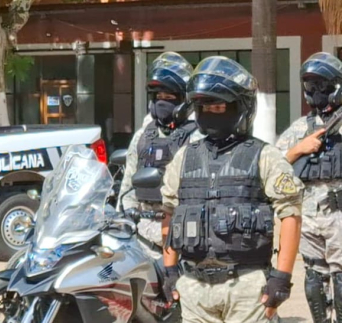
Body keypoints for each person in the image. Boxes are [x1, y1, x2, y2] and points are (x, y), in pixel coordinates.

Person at [160, 56, 302, 322]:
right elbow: (169, 212)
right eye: (204, 107)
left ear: (241, 106)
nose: (210, 113)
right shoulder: (185, 157)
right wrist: (170, 272)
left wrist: (281, 278)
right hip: (194, 286)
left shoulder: (264, 156)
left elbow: (290, 215)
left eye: (218, 106)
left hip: (247, 287)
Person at [276, 52, 342, 323]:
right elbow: (274, 164)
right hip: (308, 215)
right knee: (314, 277)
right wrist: (299, 149)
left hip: (338, 215)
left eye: (322, 85)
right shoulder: (300, 127)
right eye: (311, 85)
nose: (316, 92)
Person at [120, 52, 200, 261]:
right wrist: (127, 217)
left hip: (184, 241)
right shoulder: (142, 136)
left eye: (169, 98)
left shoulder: (198, 137)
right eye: (158, 98)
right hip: (143, 241)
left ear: (184, 101)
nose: (163, 102)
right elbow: (127, 188)